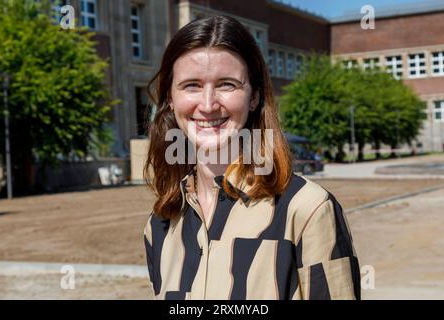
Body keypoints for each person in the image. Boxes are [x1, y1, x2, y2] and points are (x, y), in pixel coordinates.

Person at [143, 15, 360, 300]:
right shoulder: (159, 225)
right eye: (191, 85)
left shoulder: (307, 210)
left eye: (227, 84)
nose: (207, 105)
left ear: (255, 96)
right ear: (170, 99)